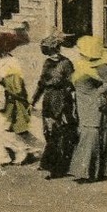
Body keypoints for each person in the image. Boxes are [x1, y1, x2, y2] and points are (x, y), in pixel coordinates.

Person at [68, 35, 107, 183]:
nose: (79, 51)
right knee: (88, 132)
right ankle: (101, 170)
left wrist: (98, 94)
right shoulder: (81, 64)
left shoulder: (100, 66)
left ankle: (88, 172)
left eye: (82, 49)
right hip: (83, 103)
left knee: (92, 133)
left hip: (95, 105)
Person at [0, 30, 41, 166]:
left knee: (0, 128)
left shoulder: (10, 64)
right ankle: (4, 155)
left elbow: (15, 86)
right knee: (0, 127)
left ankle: (22, 150)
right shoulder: (7, 62)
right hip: (0, 98)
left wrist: (3, 86)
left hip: (7, 100)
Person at [30, 34, 78, 178]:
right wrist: (33, 101)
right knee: (50, 133)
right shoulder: (48, 63)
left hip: (62, 100)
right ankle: (49, 162)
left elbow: (72, 83)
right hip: (49, 99)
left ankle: (59, 168)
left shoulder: (66, 63)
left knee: (62, 134)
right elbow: (41, 83)